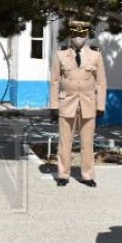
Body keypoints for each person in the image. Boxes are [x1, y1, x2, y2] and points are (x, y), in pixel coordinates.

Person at [49, 20, 107, 187]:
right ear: (70, 35)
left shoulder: (95, 55)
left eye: (82, 34)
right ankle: (63, 174)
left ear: (87, 35)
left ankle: (87, 175)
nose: (78, 37)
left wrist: (100, 106)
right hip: (67, 102)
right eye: (75, 34)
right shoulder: (60, 54)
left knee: (87, 143)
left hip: (88, 103)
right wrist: (54, 106)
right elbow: (54, 81)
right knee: (64, 141)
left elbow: (101, 82)